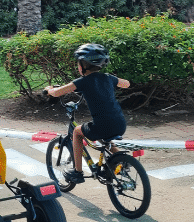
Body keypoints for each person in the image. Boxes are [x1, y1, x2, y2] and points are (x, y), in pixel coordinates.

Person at [44, 43, 130, 184]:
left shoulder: (83, 81)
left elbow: (57, 93)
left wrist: (49, 89)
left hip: (102, 125)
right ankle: (121, 159)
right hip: (120, 123)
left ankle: (77, 173)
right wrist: (116, 82)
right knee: (104, 137)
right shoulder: (108, 78)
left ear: (83, 65)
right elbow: (126, 84)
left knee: (77, 132)